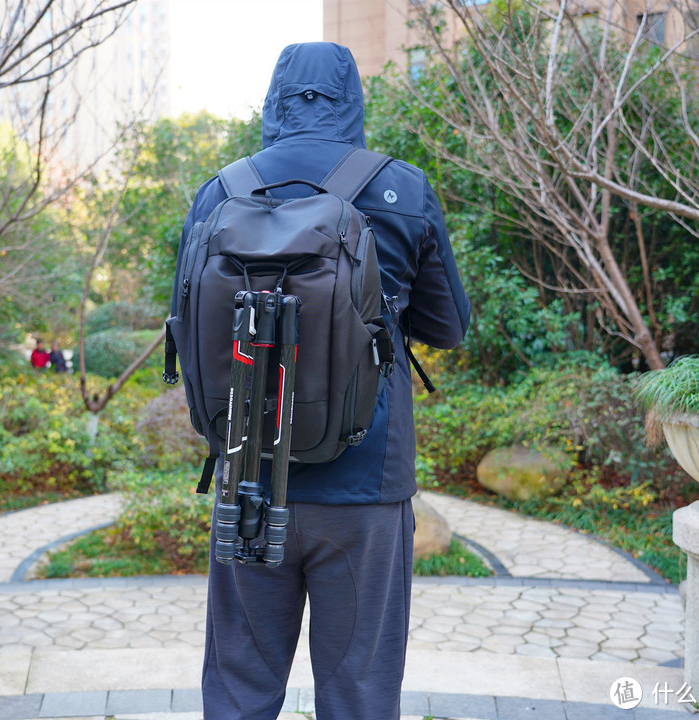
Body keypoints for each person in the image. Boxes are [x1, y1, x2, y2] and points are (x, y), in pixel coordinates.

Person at [174, 43, 471, 720]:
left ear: (273, 101)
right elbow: (448, 327)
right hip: (367, 486)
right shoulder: (401, 191)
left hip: (249, 475)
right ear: (353, 101)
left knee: (239, 690)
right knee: (360, 692)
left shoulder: (220, 192)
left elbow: (185, 332)